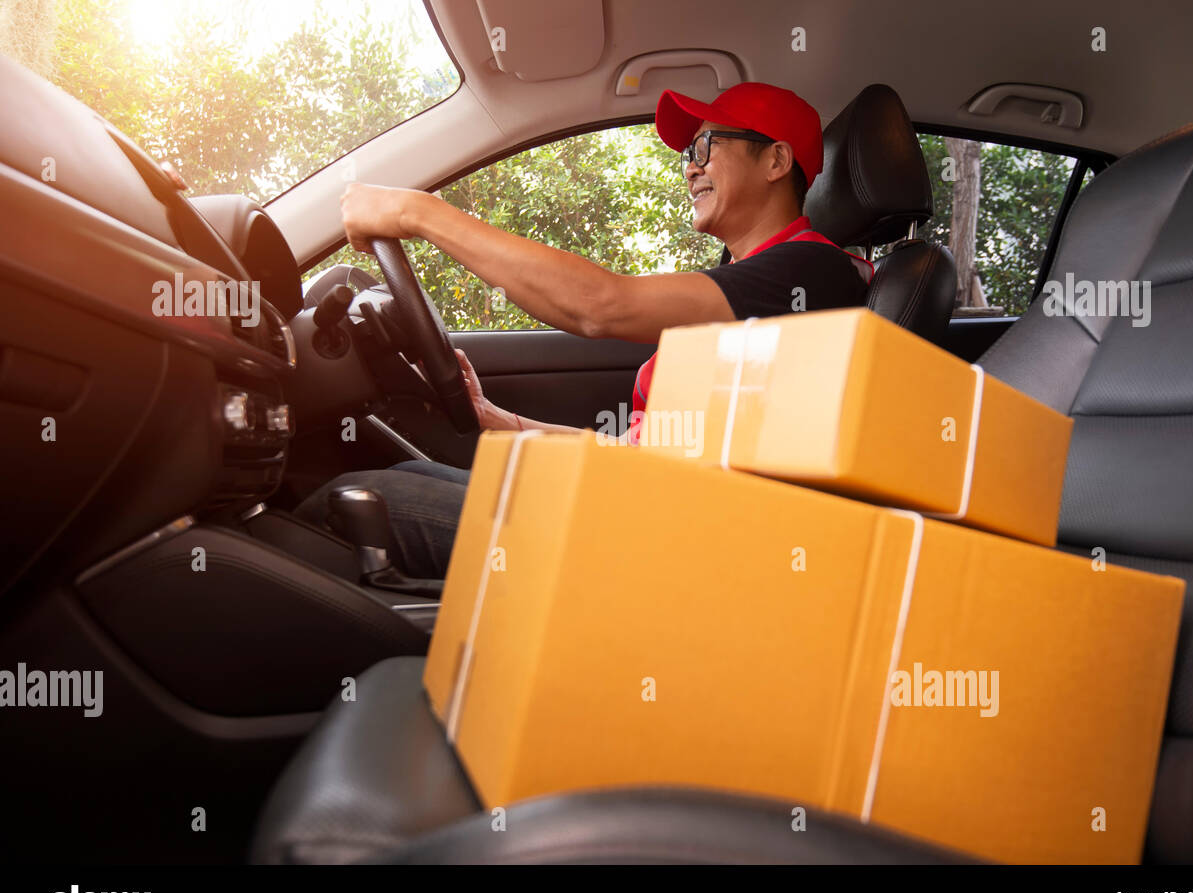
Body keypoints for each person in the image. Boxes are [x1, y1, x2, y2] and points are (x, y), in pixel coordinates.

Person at [296, 82, 871, 578]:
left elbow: (600, 306)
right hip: (650, 510)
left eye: (705, 145)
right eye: (688, 153)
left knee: (356, 505)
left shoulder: (811, 272)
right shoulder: (746, 284)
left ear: (775, 161)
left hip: (670, 546)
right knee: (403, 476)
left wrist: (417, 214)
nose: (691, 165)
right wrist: (497, 419)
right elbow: (640, 452)